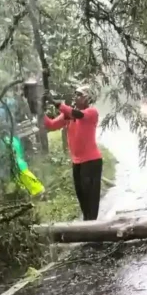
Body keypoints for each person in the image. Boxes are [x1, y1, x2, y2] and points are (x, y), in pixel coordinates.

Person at [44, 85, 103, 221]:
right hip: (77, 162)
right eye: (75, 94)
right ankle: (87, 226)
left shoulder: (91, 112)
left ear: (87, 98)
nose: (75, 97)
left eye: (79, 95)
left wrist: (55, 102)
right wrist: (39, 110)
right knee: (82, 198)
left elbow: (78, 115)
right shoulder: (69, 115)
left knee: (91, 199)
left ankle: (92, 228)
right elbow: (51, 125)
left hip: (91, 161)